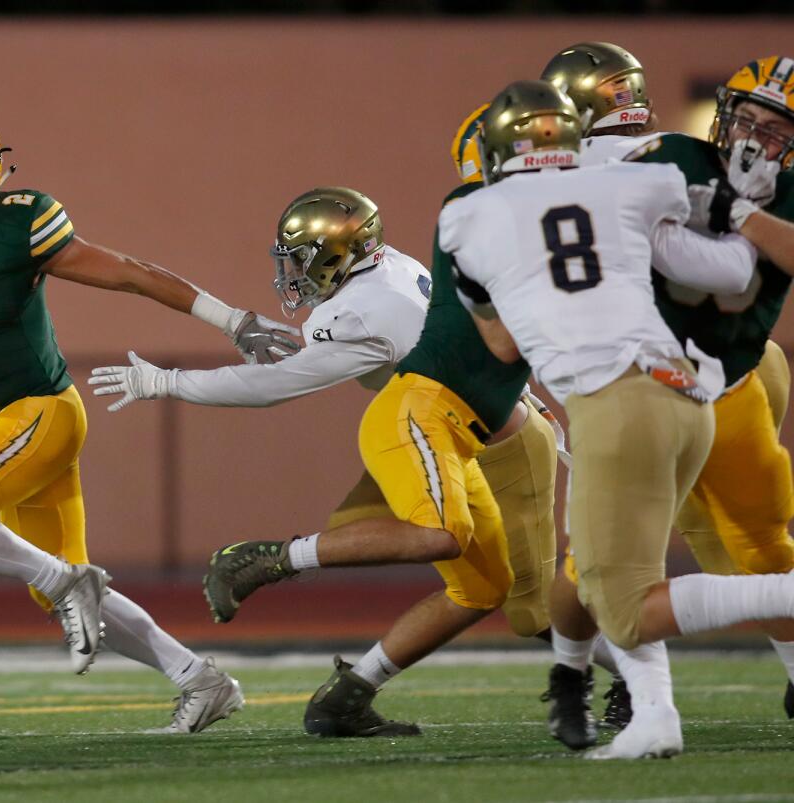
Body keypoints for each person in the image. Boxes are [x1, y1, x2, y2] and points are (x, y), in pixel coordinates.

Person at [90, 134, 562, 735]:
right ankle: (344, 685)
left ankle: (321, 643)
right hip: (445, 429)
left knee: (517, 598)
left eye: (300, 256)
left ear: (338, 252)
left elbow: (275, 386)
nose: (289, 271)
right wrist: (240, 328)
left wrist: (167, 383)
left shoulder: (362, 307)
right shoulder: (388, 270)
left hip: (489, 441)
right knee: (395, 549)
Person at [0, 107, 298, 732]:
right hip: (10, 420)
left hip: (44, 412)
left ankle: (72, 581)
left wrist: (233, 321)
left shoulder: (21, 221)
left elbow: (130, 274)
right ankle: (201, 680)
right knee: (54, 589)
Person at [447, 79, 794, 760]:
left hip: (644, 392)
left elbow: (501, 342)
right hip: (689, 384)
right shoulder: (650, 175)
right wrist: (730, 213)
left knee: (625, 588)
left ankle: (638, 705)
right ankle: (628, 699)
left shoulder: (476, 215)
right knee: (604, 570)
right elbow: (723, 269)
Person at [540, 50, 794, 743]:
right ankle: (574, 673)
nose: (756, 139)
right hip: (645, 380)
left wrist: (738, 211)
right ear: (725, 114)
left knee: (766, 545)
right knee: (589, 566)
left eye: (777, 131)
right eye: (748, 119)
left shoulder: (780, 192)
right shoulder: (665, 156)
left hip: (731, 386)